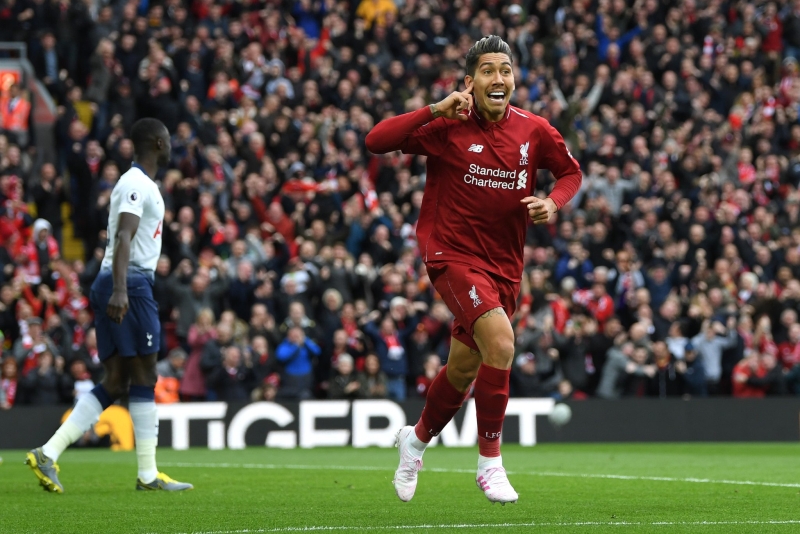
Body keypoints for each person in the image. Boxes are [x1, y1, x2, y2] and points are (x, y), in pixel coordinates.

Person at [365, 35, 582, 504]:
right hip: (451, 255)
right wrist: (433, 109)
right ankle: (490, 464)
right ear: (469, 82)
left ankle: (414, 442)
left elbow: (571, 173)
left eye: (505, 70)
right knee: (501, 343)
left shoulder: (535, 130)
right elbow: (376, 141)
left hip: (504, 267)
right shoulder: (449, 125)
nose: (498, 78)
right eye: (487, 70)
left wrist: (552, 203)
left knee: (463, 369)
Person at [26, 118, 192, 493]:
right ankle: (148, 475)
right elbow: (123, 236)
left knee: (117, 380)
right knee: (146, 375)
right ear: (158, 144)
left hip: (119, 281)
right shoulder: (136, 183)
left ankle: (48, 453)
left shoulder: (139, 183)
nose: (170, 146)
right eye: (167, 140)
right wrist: (120, 289)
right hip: (129, 282)